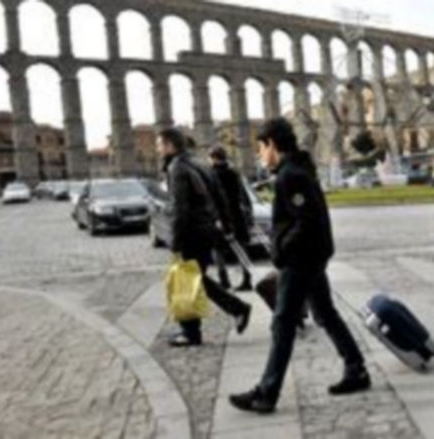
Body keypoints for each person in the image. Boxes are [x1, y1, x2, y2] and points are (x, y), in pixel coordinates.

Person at [229, 118, 370, 414]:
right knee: (325, 313)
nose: (259, 154)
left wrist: (282, 248)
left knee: (283, 323)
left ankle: (266, 393)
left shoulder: (290, 175)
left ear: (272, 144)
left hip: (301, 259)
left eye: (260, 148)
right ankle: (356, 368)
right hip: (311, 256)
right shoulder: (296, 170)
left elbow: (306, 221)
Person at [158, 128, 252, 347]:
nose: (158, 149)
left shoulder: (177, 168)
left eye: (160, 144)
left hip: (191, 233)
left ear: (170, 146)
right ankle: (235, 309)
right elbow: (220, 197)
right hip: (206, 231)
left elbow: (180, 209)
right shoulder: (200, 163)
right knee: (196, 277)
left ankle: (192, 332)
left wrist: (176, 242)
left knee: (186, 278)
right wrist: (226, 225)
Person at [209, 145, 254, 292]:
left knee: (218, 250)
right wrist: (249, 214)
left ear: (213, 158)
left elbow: (213, 199)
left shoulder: (211, 175)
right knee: (241, 248)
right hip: (237, 215)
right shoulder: (234, 173)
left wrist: (216, 217)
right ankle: (247, 279)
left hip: (221, 217)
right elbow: (243, 195)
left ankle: (224, 280)